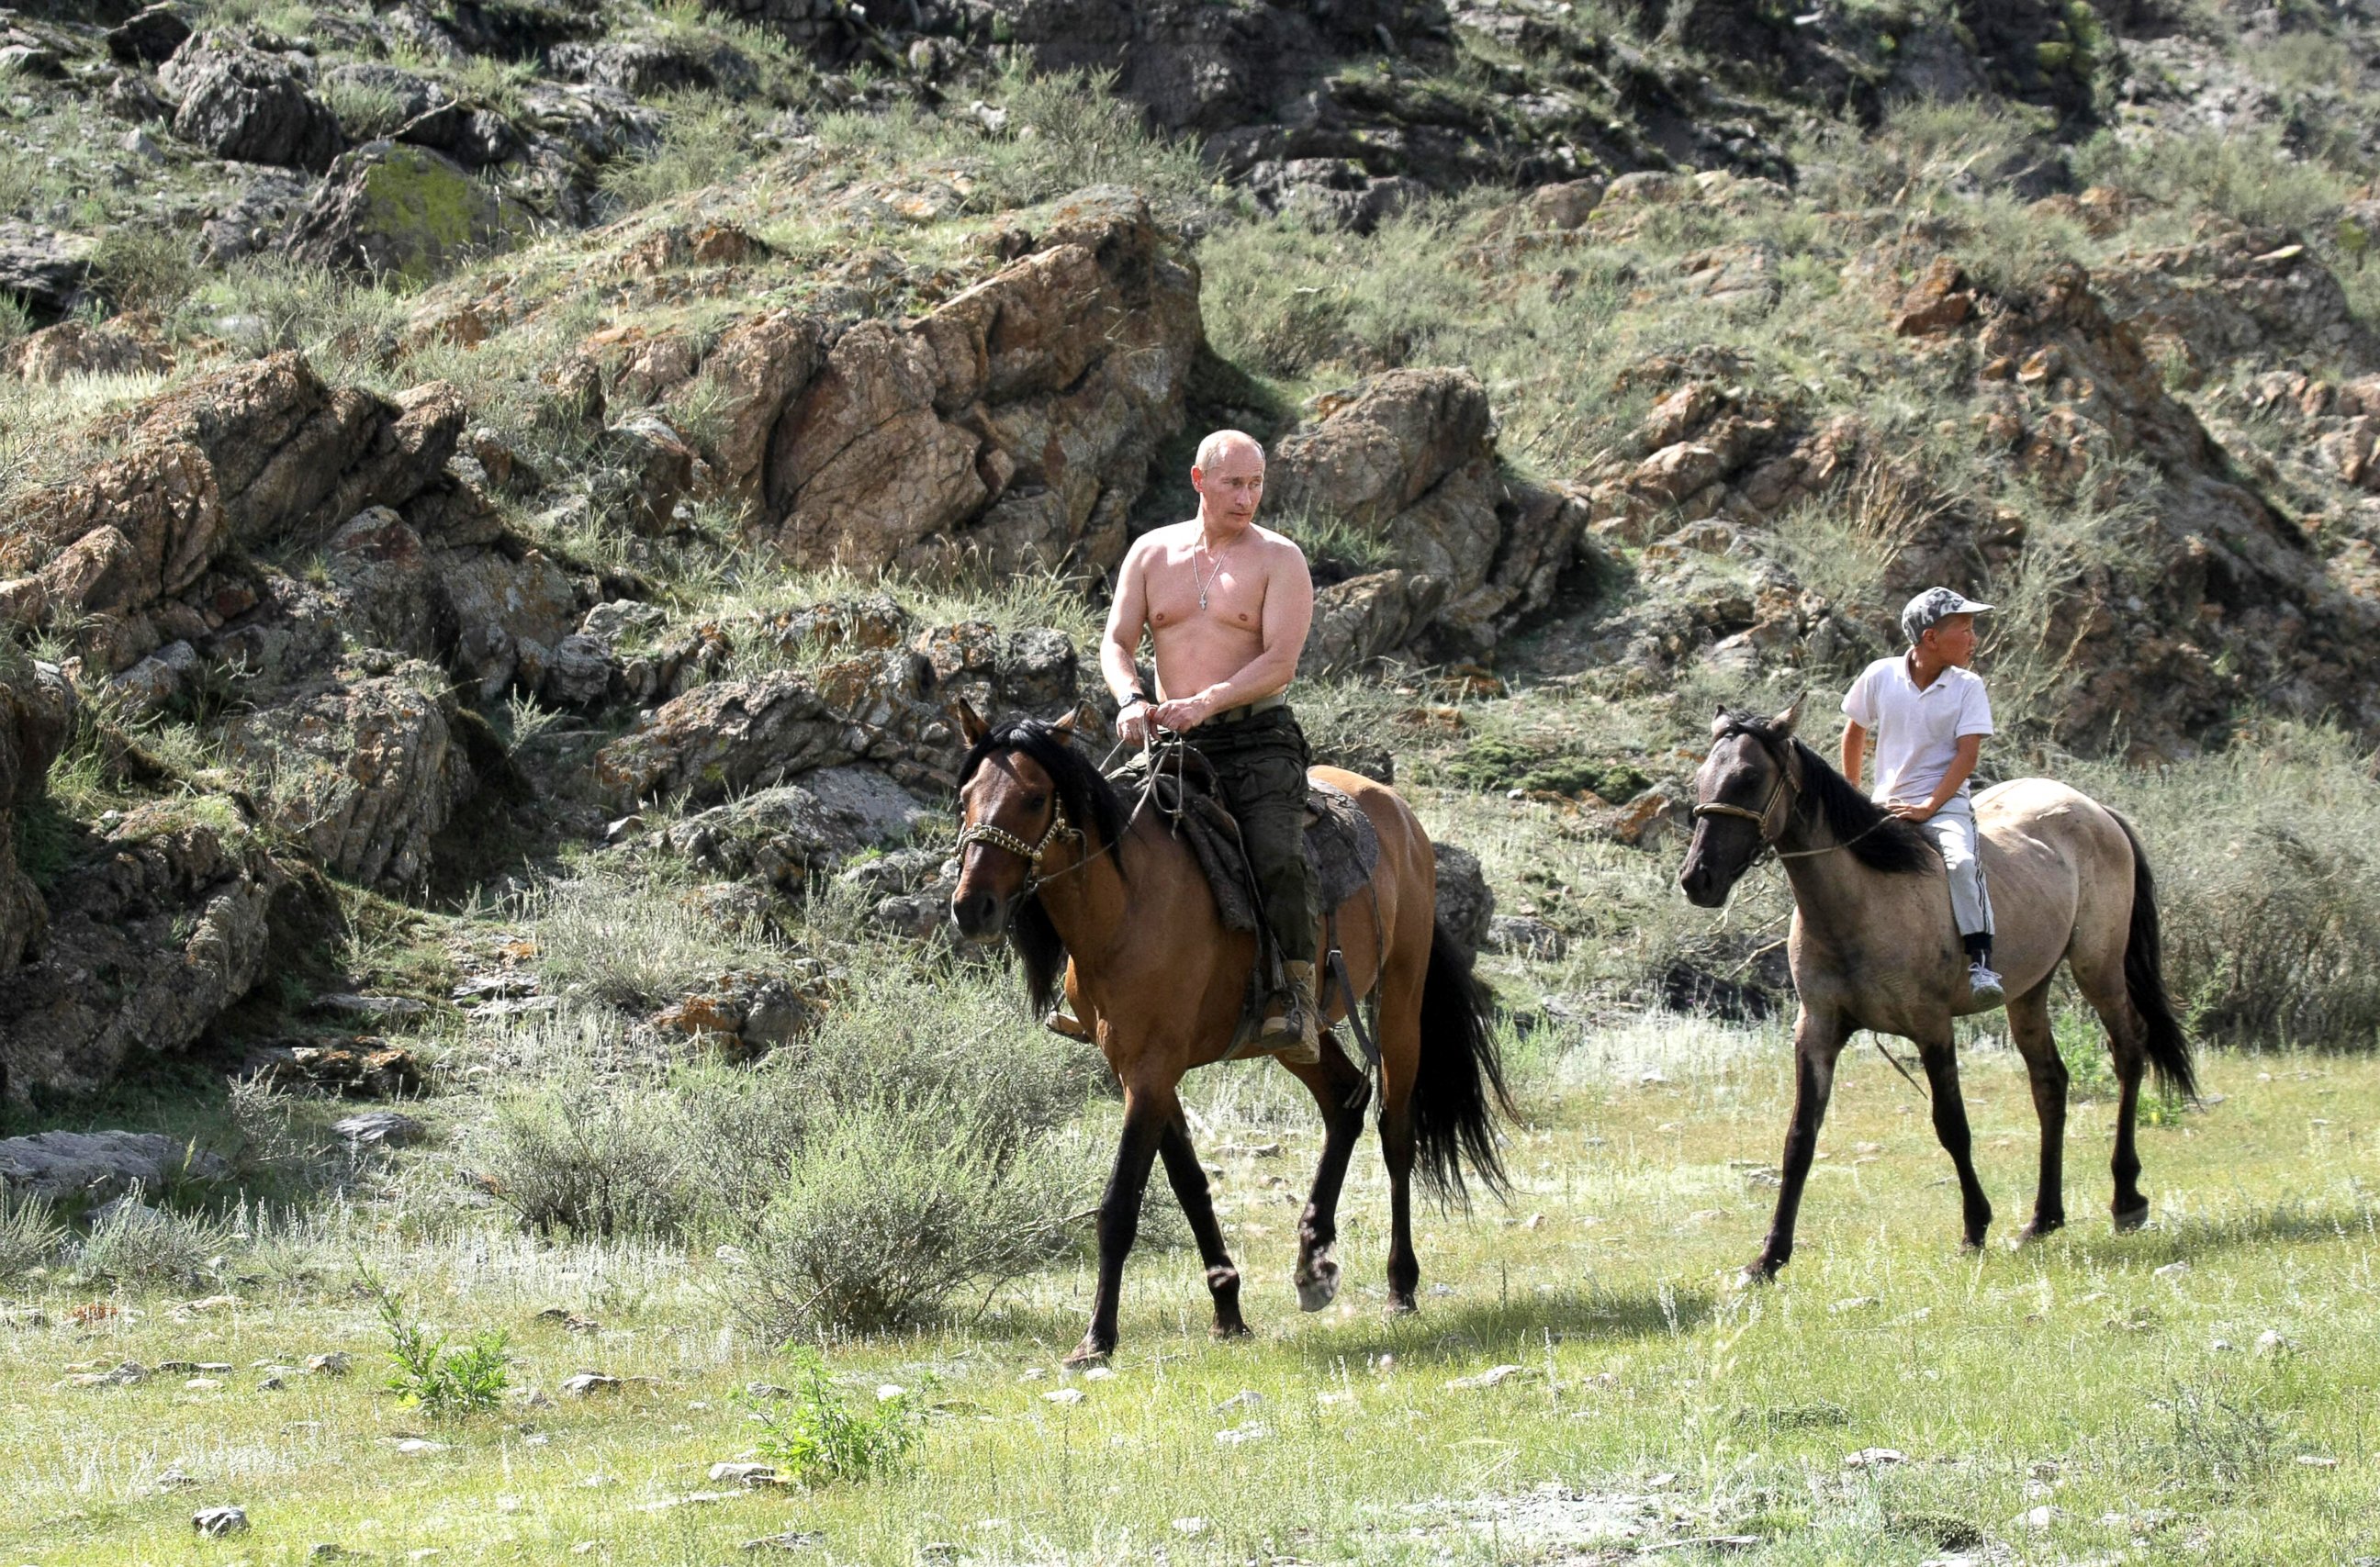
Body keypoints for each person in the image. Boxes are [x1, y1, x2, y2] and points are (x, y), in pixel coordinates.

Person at [1102, 430, 1322, 1061]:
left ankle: (1297, 997)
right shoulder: (1151, 553)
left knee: (1276, 854)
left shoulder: (1281, 559)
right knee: (1100, 836)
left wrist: (1207, 700)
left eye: (1256, 484)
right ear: (1199, 480)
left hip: (1257, 739)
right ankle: (1087, 987)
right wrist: (1130, 698)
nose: (1247, 497)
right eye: (1234, 483)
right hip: (1173, 744)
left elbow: (1281, 661)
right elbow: (1116, 641)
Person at [1840, 588, 2004, 1007]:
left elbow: (1968, 756)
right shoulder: (1880, 675)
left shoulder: (1968, 686)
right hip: (1886, 803)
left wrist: (1929, 807)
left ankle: (1981, 962)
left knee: (1963, 862)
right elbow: (1855, 729)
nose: (1974, 639)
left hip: (1943, 805)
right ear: (1931, 638)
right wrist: (1853, 794)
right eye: (1965, 629)